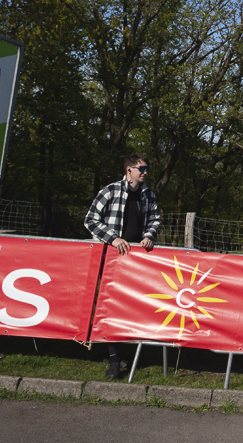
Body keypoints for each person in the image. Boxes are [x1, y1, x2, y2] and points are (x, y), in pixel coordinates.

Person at [85, 152, 161, 380]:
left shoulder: (149, 195)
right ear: (129, 169)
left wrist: (149, 235)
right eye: (142, 169)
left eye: (147, 168)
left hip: (136, 261)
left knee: (131, 307)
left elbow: (155, 220)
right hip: (111, 258)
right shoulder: (110, 191)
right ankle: (114, 358)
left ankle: (127, 352)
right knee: (109, 307)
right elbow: (90, 219)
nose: (146, 172)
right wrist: (112, 238)